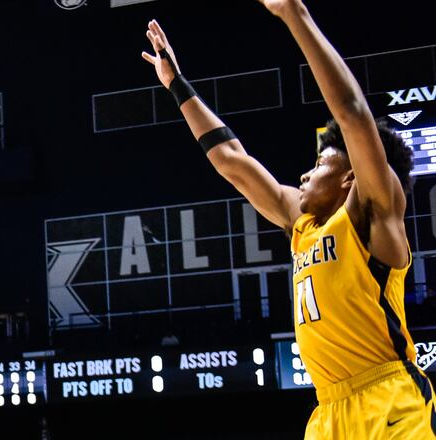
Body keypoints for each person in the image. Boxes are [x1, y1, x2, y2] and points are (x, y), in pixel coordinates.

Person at [141, 1, 435, 438]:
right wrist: (177, 85)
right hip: (328, 410)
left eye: (318, 164)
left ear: (351, 176)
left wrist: (293, 13)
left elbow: (352, 114)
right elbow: (232, 160)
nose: (304, 173)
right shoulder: (302, 224)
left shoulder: (373, 215)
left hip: (388, 398)